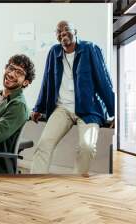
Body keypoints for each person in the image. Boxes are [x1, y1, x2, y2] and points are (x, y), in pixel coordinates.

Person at [30, 21, 115, 177]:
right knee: (44, 144)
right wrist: (38, 108)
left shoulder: (90, 49)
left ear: (75, 31)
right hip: (62, 108)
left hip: (88, 109)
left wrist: (114, 110)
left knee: (87, 147)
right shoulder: (54, 52)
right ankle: (36, 180)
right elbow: (47, 82)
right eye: (58, 31)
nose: (63, 33)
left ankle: (76, 182)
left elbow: (103, 81)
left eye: (66, 29)